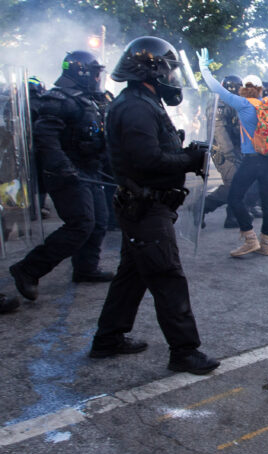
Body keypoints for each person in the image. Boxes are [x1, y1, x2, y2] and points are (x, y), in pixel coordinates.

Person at [89, 36, 219, 375]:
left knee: (131, 276)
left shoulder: (143, 101)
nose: (173, 78)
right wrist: (188, 158)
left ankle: (107, 339)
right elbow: (146, 160)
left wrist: (182, 153)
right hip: (146, 208)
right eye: (170, 70)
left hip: (144, 206)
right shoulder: (135, 106)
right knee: (167, 277)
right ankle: (184, 351)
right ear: (152, 70)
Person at [8, 51, 113, 303]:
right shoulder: (59, 99)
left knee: (99, 221)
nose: (99, 77)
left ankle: (85, 268)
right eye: (95, 72)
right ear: (82, 72)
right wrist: (63, 167)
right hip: (65, 173)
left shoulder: (87, 99)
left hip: (87, 168)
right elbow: (46, 138)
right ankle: (28, 269)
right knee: (81, 224)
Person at [198, 46, 268, 257]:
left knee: (235, 197)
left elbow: (216, 89)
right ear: (261, 88)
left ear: (244, 88)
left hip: (251, 160)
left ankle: (250, 239)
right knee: (267, 203)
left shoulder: (242, 104)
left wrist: (204, 69)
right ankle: (266, 244)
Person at [202, 74, 251, 229]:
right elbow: (219, 132)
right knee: (233, 184)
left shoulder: (233, 103)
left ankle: (232, 216)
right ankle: (202, 207)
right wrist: (229, 153)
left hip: (236, 149)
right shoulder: (220, 104)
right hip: (223, 150)